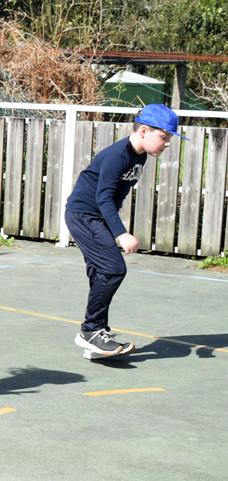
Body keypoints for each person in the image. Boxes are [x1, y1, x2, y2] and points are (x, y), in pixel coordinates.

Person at [65, 103, 179, 358]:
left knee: (100, 273)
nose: (167, 143)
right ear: (144, 131)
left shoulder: (139, 156)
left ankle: (96, 340)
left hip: (96, 217)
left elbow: (118, 194)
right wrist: (120, 232)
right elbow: (103, 197)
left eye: (169, 138)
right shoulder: (119, 155)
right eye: (164, 137)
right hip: (83, 215)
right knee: (113, 269)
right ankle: (90, 332)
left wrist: (110, 225)